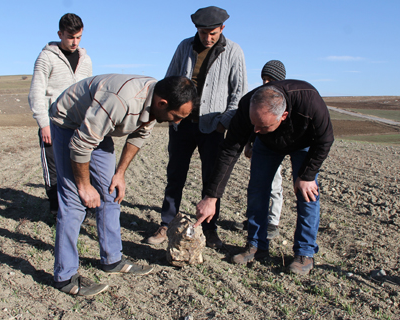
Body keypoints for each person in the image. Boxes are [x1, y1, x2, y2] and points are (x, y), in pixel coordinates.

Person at [50, 74, 197, 296]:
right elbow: (80, 145)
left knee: (111, 192)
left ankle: (112, 260)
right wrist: (84, 185)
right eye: (176, 116)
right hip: (70, 124)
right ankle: (65, 277)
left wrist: (119, 173)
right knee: (74, 202)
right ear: (162, 103)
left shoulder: (156, 100)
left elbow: (138, 136)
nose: (177, 122)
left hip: (96, 128)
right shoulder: (120, 101)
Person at [195, 80, 334, 276]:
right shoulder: (246, 107)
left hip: (304, 143)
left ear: (283, 116)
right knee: (257, 190)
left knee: (307, 194)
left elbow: (326, 139)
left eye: (262, 125)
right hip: (268, 145)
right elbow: (229, 151)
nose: (255, 131)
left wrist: (307, 175)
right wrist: (211, 196)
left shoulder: (309, 101)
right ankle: (257, 246)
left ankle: (305, 253)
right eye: (254, 125)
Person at [146, 6, 248, 249]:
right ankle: (167, 224)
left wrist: (223, 123)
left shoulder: (233, 51)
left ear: (222, 29)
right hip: (182, 125)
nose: (208, 37)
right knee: (175, 176)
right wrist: (173, 117)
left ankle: (209, 229)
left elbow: (239, 92)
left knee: (211, 180)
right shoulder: (184, 47)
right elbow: (168, 81)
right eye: (203, 32)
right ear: (196, 30)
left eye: (212, 32)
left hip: (214, 128)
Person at [28, 13, 92, 218]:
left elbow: (89, 92)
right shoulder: (46, 57)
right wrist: (43, 123)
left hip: (79, 124)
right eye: (70, 37)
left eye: (79, 37)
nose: (75, 42)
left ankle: (82, 209)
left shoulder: (86, 60)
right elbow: (36, 92)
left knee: (81, 165)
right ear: (60, 34)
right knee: (54, 168)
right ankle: (56, 210)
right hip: (53, 123)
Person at [234, 60, 287, 240]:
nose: (265, 83)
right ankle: (254, 218)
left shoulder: (282, 102)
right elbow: (253, 124)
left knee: (275, 185)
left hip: (276, 149)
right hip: (260, 148)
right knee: (256, 184)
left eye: (270, 79)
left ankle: (273, 222)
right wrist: (250, 143)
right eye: (264, 79)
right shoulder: (260, 97)